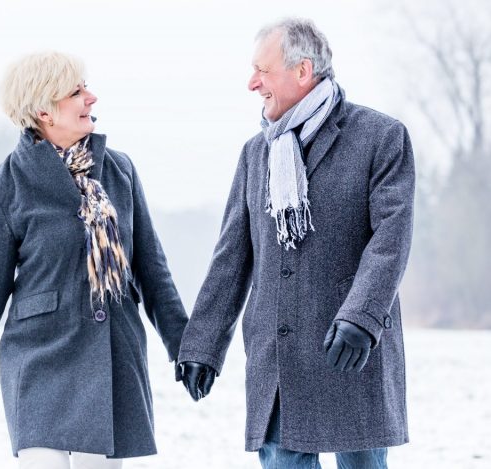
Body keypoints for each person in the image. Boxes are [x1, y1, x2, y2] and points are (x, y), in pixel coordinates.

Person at [0, 51, 189, 469]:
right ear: (43, 109)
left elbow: (151, 271)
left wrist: (185, 348)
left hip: (110, 358)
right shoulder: (6, 185)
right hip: (40, 359)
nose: (92, 98)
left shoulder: (119, 171)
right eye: (77, 92)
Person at [176, 18, 414, 469]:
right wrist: (202, 344)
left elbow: (391, 240)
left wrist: (362, 318)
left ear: (302, 71)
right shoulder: (257, 153)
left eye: (262, 71)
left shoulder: (380, 138)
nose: (252, 83)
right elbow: (232, 256)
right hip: (279, 357)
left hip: (349, 349)